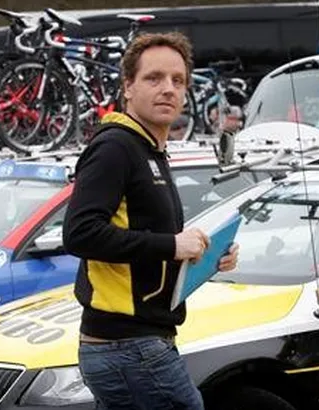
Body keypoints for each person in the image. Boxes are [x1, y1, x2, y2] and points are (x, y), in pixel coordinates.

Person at [62, 32, 239, 410]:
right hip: (127, 347)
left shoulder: (150, 150)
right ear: (128, 86)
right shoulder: (115, 147)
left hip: (139, 344)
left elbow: (143, 247)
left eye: (178, 80)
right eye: (154, 78)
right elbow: (80, 233)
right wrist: (172, 245)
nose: (168, 89)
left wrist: (207, 257)